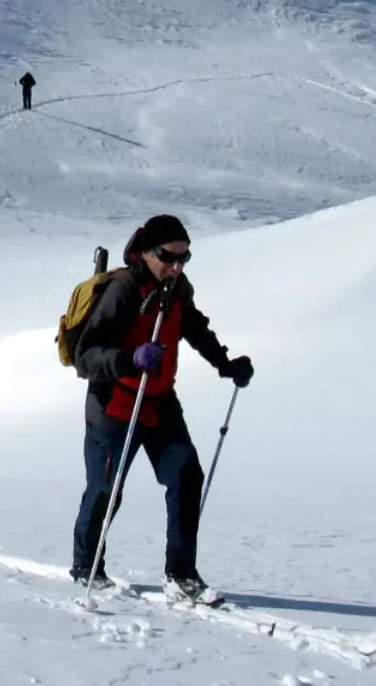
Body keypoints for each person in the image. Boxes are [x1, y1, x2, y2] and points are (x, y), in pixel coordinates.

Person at [69, 214, 253, 604]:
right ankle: (86, 565)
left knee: (186, 475)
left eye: (184, 258)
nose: (176, 266)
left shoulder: (177, 289)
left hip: (158, 401)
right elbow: (86, 356)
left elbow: (195, 327)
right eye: (169, 257)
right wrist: (130, 359)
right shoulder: (123, 290)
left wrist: (225, 363)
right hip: (114, 405)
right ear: (147, 253)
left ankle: (181, 573)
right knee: (106, 488)